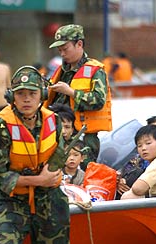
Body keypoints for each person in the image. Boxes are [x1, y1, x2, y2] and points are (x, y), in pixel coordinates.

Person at [0, 66, 70, 244]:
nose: (26, 99)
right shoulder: (1, 126)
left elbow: (59, 155)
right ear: (11, 97)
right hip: (12, 200)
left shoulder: (54, 120)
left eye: (32, 94)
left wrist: (49, 176)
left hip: (48, 199)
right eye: (21, 94)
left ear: (41, 96)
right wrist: (37, 179)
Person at [45, 24, 112, 170]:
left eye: (65, 49)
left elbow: (98, 101)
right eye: (59, 50)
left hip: (83, 138)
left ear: (79, 44)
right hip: (59, 134)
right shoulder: (60, 71)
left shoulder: (95, 70)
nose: (62, 54)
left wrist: (71, 92)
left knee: (84, 177)